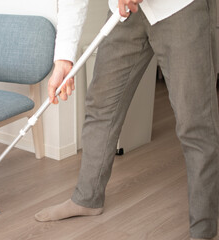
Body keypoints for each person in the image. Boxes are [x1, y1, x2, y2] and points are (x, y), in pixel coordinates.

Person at [34, 0, 219, 239]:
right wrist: (64, 60)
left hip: (179, 8)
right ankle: (87, 199)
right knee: (101, 105)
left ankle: (203, 230)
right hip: (123, 13)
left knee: (195, 123)